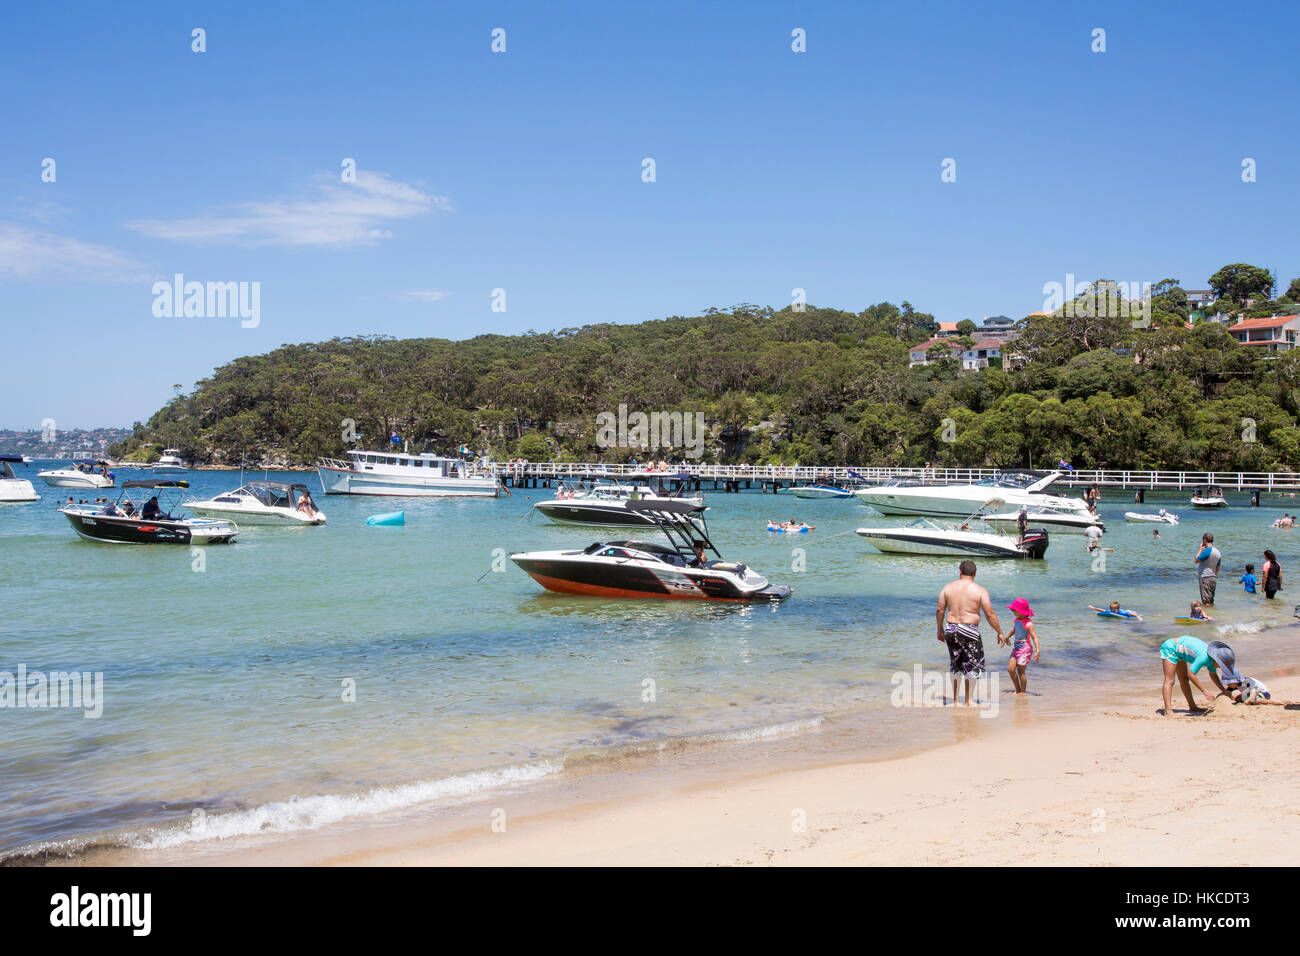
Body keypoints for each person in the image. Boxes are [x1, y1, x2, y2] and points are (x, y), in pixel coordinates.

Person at [935, 560, 1004, 706]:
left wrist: (940, 629)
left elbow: (940, 609)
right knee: (971, 664)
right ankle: (968, 700)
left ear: (960, 572)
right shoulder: (979, 590)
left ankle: (954, 700)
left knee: (955, 664)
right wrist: (999, 632)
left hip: (951, 628)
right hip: (969, 630)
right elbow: (990, 614)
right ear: (975, 574)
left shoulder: (947, 588)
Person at [1159, 634, 1227, 716]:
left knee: (1184, 679)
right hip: (1171, 647)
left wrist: (1223, 690)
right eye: (1221, 664)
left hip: (1180, 652)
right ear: (1216, 659)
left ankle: (1192, 706)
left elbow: (1213, 675)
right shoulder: (1204, 657)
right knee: (1170, 680)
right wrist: (1204, 691)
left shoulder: (1212, 660)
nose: (1220, 667)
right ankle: (1168, 711)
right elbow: (1191, 674)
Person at [1003, 598, 1040, 694]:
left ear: (1021, 611)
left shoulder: (1028, 623)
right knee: (1010, 670)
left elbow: (1034, 637)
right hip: (1016, 648)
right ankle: (1017, 690)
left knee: (1020, 671)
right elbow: (1014, 630)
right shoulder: (1016, 620)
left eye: (1014, 610)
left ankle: (1022, 693)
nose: (1012, 611)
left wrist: (1038, 650)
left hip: (1025, 649)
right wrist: (1007, 637)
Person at [1194, 533, 1221, 605]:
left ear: (1204, 540)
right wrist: (1215, 575)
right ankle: (1212, 614)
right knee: (1211, 600)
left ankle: (1208, 615)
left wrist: (1200, 549)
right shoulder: (1217, 552)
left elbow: (1196, 560)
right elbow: (1218, 566)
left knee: (1206, 601)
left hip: (1205, 577)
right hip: (1213, 577)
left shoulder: (1207, 550)